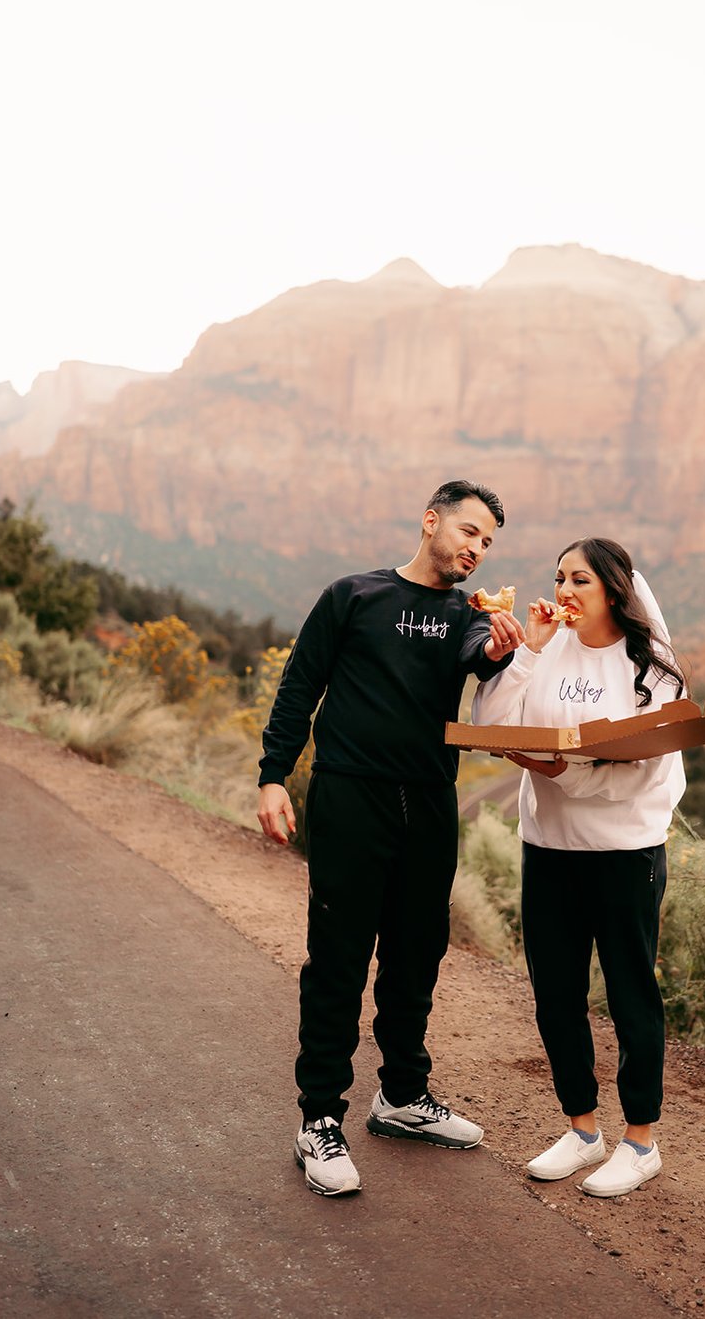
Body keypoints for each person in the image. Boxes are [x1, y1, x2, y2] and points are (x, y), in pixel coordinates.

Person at [257, 480, 524, 1196]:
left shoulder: (471, 615)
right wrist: (273, 776)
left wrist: (500, 648)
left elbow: (481, 654)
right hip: (349, 797)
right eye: (469, 531)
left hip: (430, 805)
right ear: (431, 521)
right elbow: (299, 686)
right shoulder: (354, 595)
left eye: (488, 542)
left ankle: (402, 1097)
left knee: (417, 957)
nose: (476, 548)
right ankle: (319, 1120)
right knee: (339, 960)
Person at [471, 536, 686, 1198]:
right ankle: (583, 1129)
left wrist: (568, 771)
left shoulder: (651, 667)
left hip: (626, 855)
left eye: (580, 581)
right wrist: (527, 649)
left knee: (629, 997)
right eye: (560, 577)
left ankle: (640, 1142)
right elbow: (492, 721)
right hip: (550, 850)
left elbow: (650, 766)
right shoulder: (547, 648)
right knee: (556, 994)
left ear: (614, 591)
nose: (564, 591)